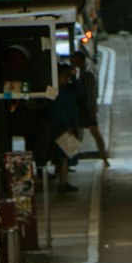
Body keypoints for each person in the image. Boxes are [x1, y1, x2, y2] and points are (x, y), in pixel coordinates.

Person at [71, 49, 109, 166]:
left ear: (79, 60)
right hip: (84, 108)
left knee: (94, 133)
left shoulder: (86, 73)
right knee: (76, 134)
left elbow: (90, 93)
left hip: (86, 109)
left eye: (75, 59)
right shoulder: (83, 72)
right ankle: (70, 161)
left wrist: (92, 108)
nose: (73, 61)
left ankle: (104, 157)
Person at [49, 63, 81, 193]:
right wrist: (67, 125)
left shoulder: (66, 90)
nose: (66, 79)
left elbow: (78, 91)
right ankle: (63, 183)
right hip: (62, 127)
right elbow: (58, 111)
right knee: (63, 156)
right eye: (64, 76)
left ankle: (64, 181)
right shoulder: (55, 92)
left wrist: (73, 77)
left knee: (67, 155)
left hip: (67, 125)